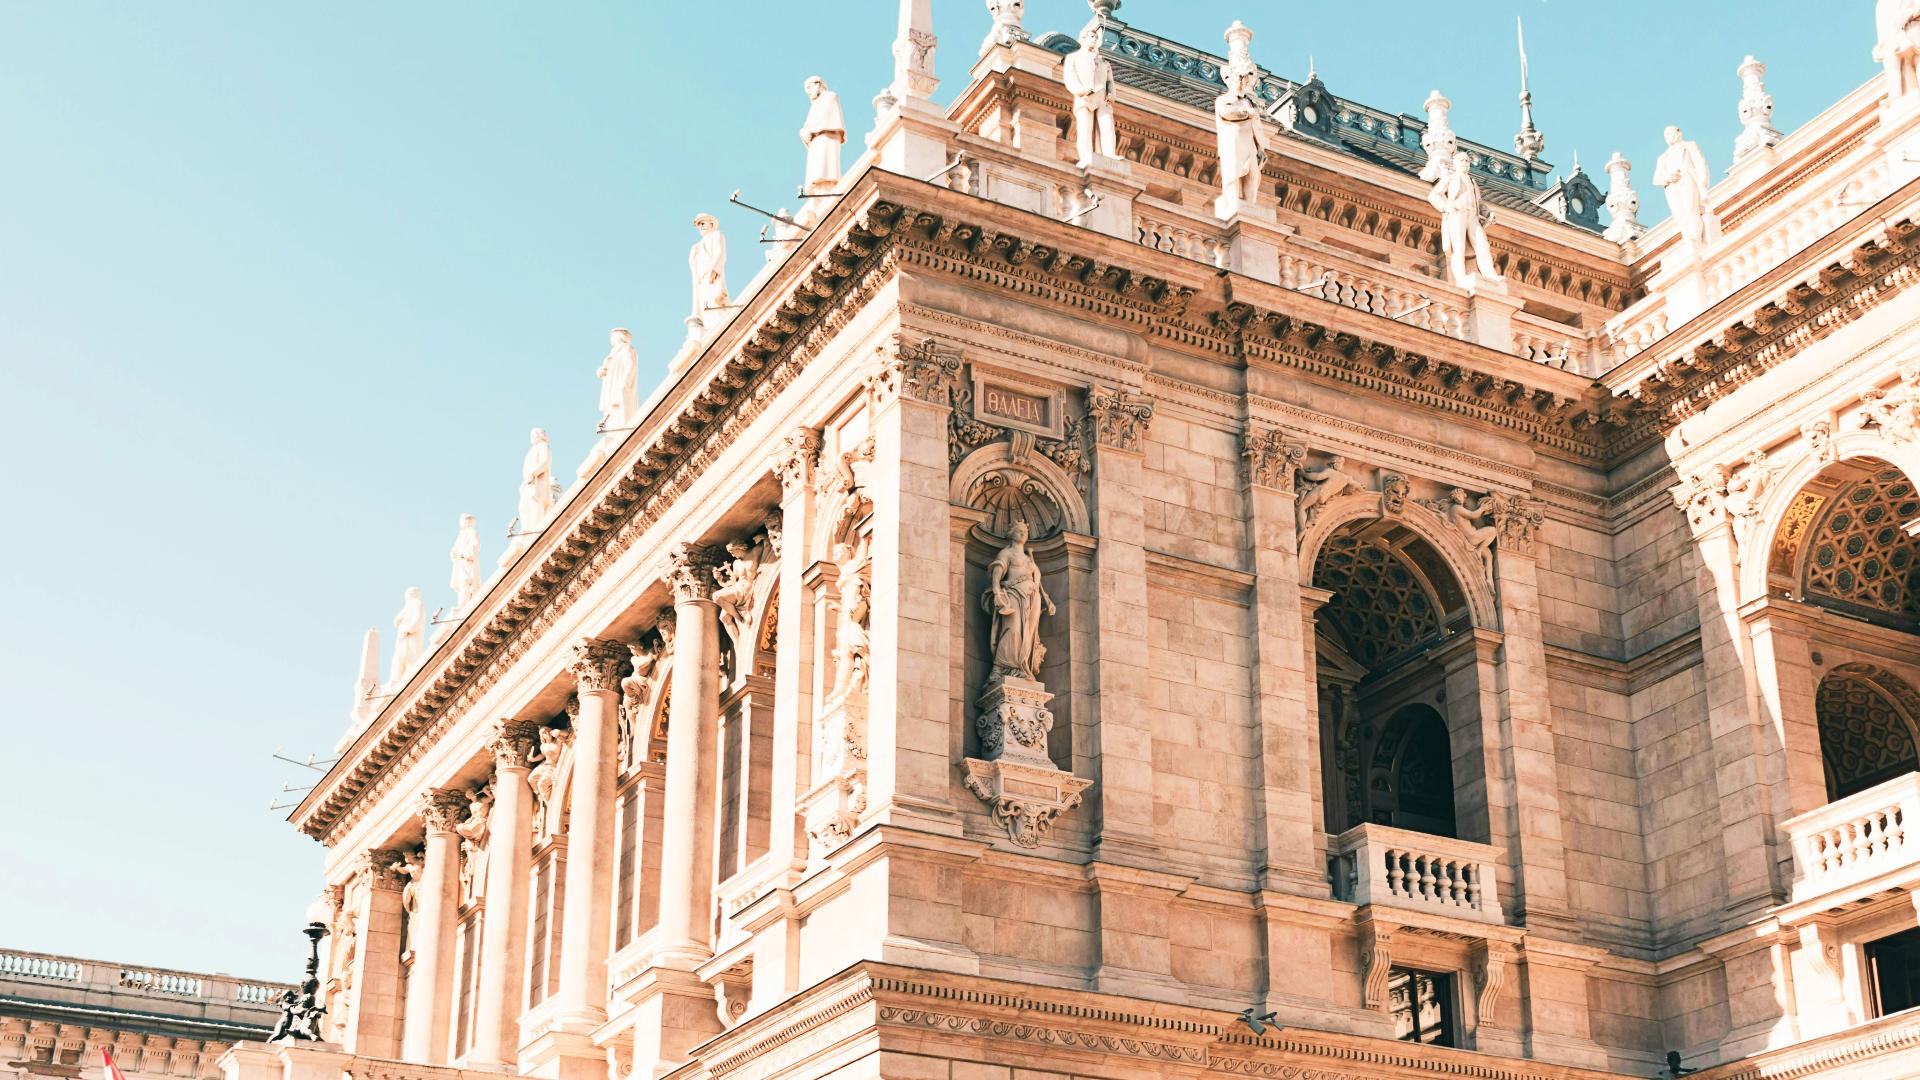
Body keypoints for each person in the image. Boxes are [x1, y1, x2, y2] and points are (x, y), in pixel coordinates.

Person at [981, 520, 1054, 681]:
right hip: (1014, 595)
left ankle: (1022, 667)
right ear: (1011, 534)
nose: (1023, 534)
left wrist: (1047, 600)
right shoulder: (1006, 554)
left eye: (1025, 532)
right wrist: (997, 593)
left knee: (1027, 633)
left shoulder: (1029, 559)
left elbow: (1038, 582)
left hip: (1032, 598)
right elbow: (996, 576)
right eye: (1019, 530)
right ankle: (999, 668)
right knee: (1013, 630)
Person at [1429, 154, 1503, 290]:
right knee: (1459, 248)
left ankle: (1490, 276)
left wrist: (1488, 214)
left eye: (1467, 161)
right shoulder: (1451, 178)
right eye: (1461, 160)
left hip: (1473, 216)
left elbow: (1479, 203)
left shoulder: (1472, 182)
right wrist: (1446, 207)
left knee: (1483, 245)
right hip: (1457, 214)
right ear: (1455, 164)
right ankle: (1461, 278)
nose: (1465, 163)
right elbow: (1434, 195)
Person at [1653, 127, 1721, 255]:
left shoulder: (1689, 145)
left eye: (1670, 133)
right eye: (1666, 135)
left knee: (1691, 209)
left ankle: (1695, 239)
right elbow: (1656, 179)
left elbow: (1700, 163)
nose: (1668, 136)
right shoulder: (1663, 157)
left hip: (1688, 179)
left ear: (1678, 133)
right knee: (1680, 216)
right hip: (1672, 187)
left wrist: (1703, 183)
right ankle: (1688, 240)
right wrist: (1668, 178)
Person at [1063, 25, 1116, 168]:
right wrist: (1081, 91)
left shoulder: (1104, 62)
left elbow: (1109, 81)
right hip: (1084, 97)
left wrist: (1111, 95)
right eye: (1092, 37)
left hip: (1102, 97)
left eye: (1096, 37)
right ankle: (1086, 156)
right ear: (1083, 39)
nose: (1094, 40)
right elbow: (1070, 78)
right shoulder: (1073, 58)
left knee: (1106, 126)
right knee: (1085, 128)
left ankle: (1109, 153)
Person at [800, 77, 846, 195]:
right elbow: (809, 125)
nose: (809, 92)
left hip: (826, 137)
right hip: (816, 141)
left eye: (809, 88)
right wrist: (804, 132)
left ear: (817, 84)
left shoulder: (830, 96)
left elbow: (825, 118)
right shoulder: (815, 105)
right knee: (817, 172)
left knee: (826, 171)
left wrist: (810, 130)